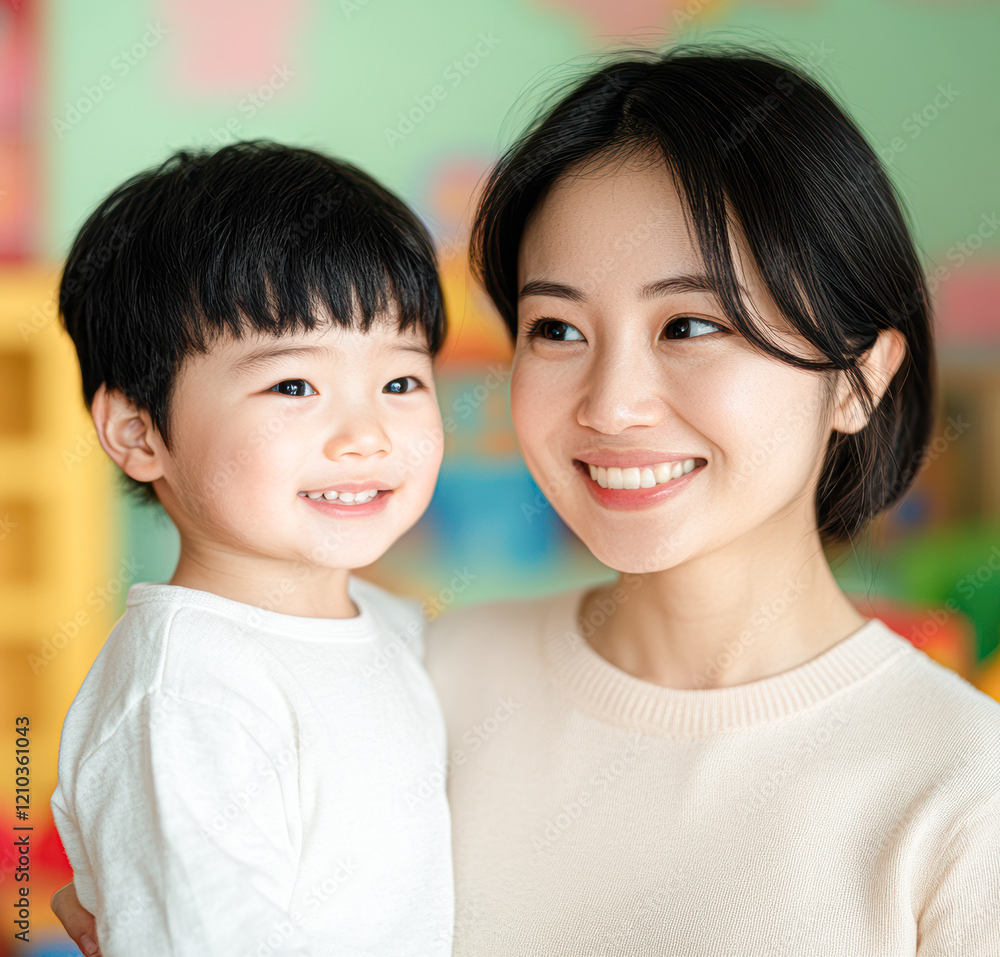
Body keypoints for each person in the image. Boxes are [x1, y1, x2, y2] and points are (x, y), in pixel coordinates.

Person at [54, 48, 1000, 956]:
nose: (611, 405)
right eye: (556, 328)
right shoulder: (418, 676)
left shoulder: (964, 796)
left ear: (858, 378)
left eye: (689, 324)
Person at [49, 141, 453, 956]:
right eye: (294, 386)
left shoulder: (394, 629)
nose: (367, 435)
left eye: (401, 382)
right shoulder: (187, 696)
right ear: (138, 433)